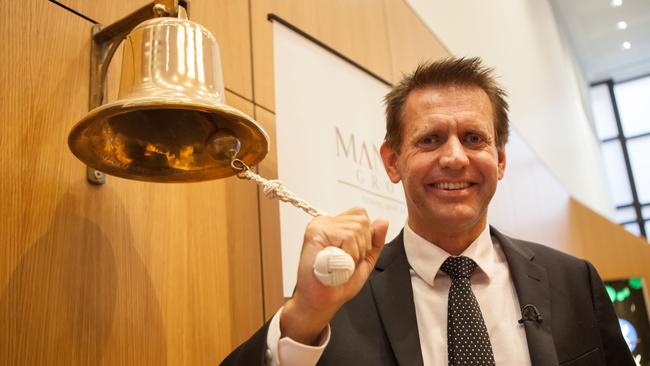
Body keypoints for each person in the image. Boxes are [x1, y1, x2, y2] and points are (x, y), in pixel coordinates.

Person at [221, 57, 634, 366]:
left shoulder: (574, 281)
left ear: (501, 160)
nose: (455, 158)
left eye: (473, 138)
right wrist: (304, 314)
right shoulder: (334, 302)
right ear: (392, 161)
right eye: (431, 140)